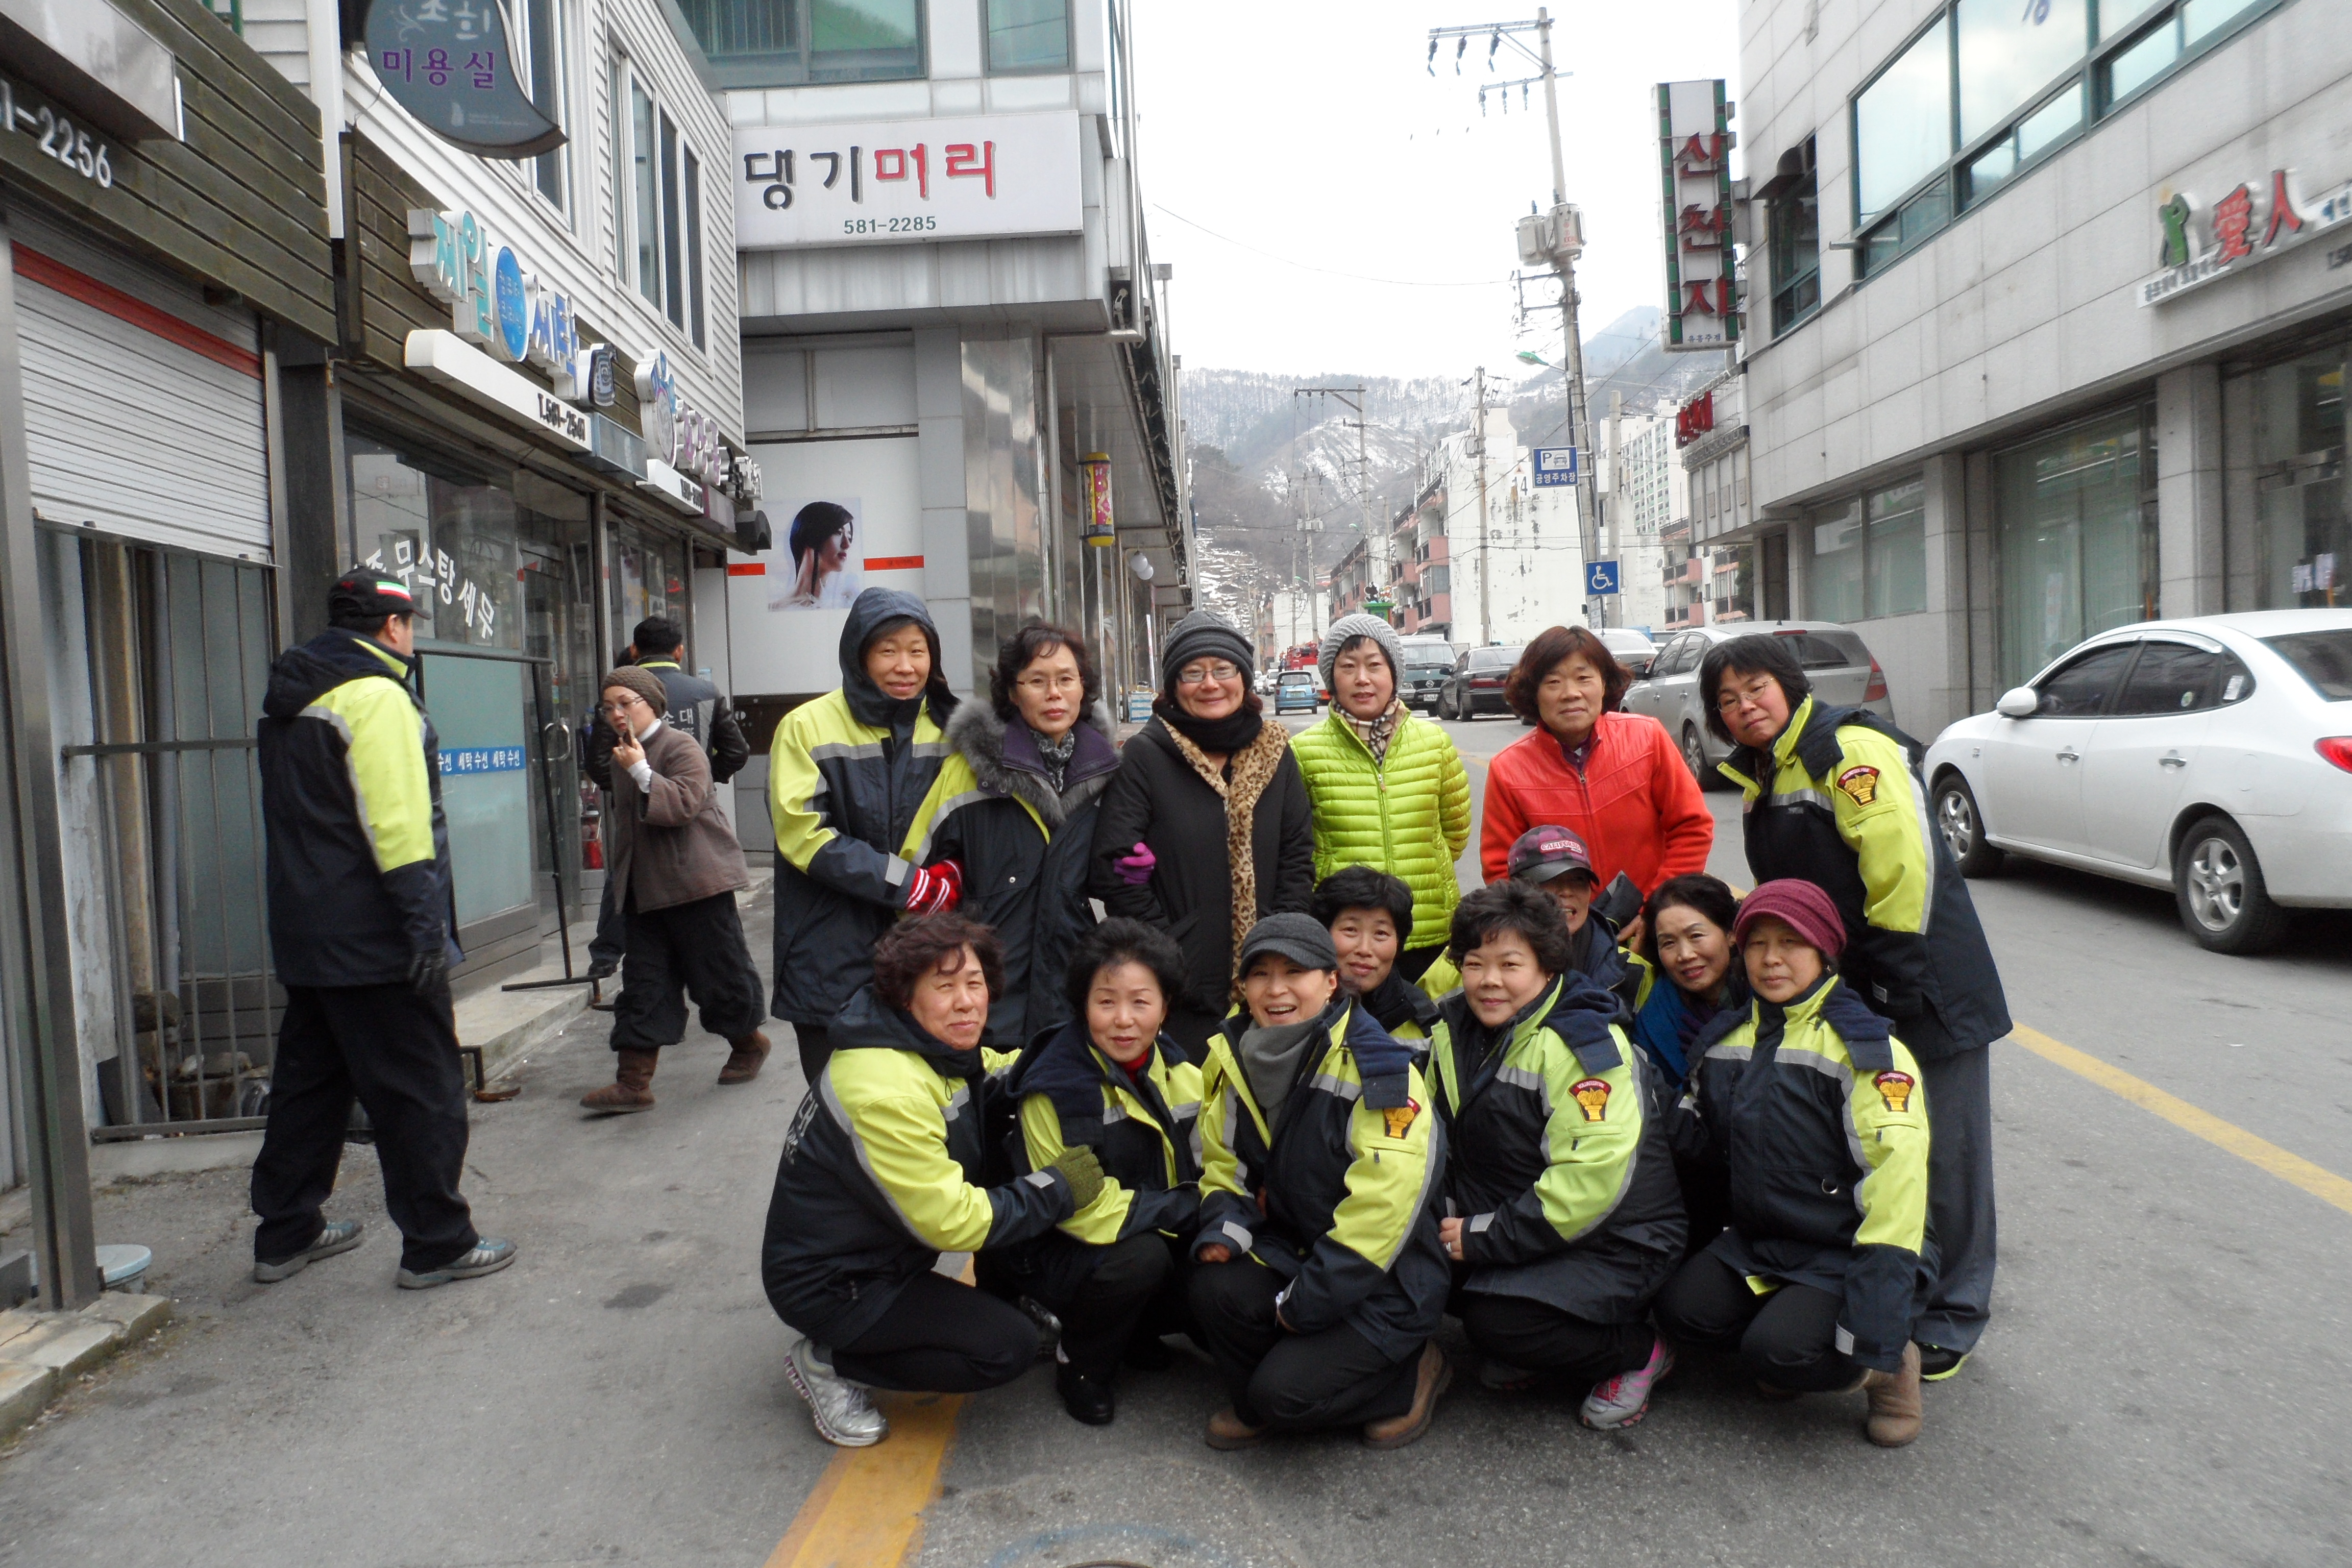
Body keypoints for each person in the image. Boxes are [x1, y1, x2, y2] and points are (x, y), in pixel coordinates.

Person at [1702, 631, 2008, 1381]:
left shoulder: (1849, 750)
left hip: (1924, 980)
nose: (1745, 707)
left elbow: (1904, 864)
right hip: (1859, 981)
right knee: (1874, 1143)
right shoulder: (1766, 770)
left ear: (1790, 685)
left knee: (1946, 1152)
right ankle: (1889, 1291)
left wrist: (1897, 979)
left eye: (1756, 689)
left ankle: (1952, 1314)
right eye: (1728, 701)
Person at [249, 570, 514, 1290]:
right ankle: (438, 1243)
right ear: (393, 627)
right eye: (411, 624)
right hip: (376, 935)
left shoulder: (293, 697)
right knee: (421, 1087)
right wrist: (423, 929)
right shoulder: (376, 696)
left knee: (311, 1088)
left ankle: (285, 1232)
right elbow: (397, 825)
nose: (413, 637)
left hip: (308, 930)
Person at [760, 916, 1104, 1448]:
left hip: (884, 1252)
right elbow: (953, 1223)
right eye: (944, 987)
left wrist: (1079, 1058)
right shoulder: (885, 1090)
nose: (967, 1002)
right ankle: (830, 1362)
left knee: (1006, 1136)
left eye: (975, 983)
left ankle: (996, 1300)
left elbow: (997, 1072)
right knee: (1004, 1350)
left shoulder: (927, 1046)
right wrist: (1057, 1188)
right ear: (905, 996)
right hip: (835, 1284)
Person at [1653, 879, 1929, 1447]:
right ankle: (1789, 1335)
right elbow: (1699, 1139)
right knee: (1682, 1313)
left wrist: (1877, 1320)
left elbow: (1896, 1188)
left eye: (1791, 942)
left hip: (1843, 1250)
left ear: (1824, 951)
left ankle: (1889, 1371)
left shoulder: (1867, 1051)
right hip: (1761, 1241)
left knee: (1779, 1353)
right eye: (1757, 944)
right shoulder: (1726, 1039)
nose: (1771, 959)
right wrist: (1641, 1089)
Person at [1188, 914, 1452, 1451]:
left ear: (1331, 982)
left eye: (1295, 972)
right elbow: (1223, 1163)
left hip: (1385, 1278)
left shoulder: (1381, 1067)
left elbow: (1382, 1211)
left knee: (1283, 1397)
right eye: (1260, 974)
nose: (1276, 990)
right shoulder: (1234, 1052)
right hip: (1299, 1248)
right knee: (1211, 1288)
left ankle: (1414, 1372)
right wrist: (1224, 1228)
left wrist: (1304, 1302)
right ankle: (1272, 1389)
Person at [1427, 882, 1685, 1427]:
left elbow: (1590, 1183)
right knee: (1423, 1263)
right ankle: (1539, 1336)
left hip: (1618, 1237)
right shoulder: (1453, 1026)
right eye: (1474, 963)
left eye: (1510, 964)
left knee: (1499, 1322)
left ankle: (1639, 1351)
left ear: (1547, 969)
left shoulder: (1582, 1043)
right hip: (1523, 1215)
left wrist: (1483, 1236)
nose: (1489, 980)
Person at [986, 919, 1204, 1426]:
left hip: (1138, 1220)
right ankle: (1081, 1362)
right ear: (1083, 1006)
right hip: (1050, 1245)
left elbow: (1209, 1160)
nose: (1123, 1020)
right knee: (1144, 1258)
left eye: (1140, 1002)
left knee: (1213, 1265)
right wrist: (1188, 1207)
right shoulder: (1056, 1087)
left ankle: (1131, 1332)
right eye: (1106, 1002)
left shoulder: (1178, 1069)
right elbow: (1080, 1212)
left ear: (1165, 1007)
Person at [1090, 609, 1314, 1059]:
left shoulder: (1275, 753)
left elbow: (1296, 857)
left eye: (1223, 670)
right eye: (1193, 673)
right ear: (1174, 686)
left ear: (1243, 678)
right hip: (1180, 989)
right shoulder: (1146, 756)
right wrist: (1170, 952)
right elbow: (1115, 867)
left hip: (1268, 982)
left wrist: (1279, 950)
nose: (1210, 684)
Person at [769, 589, 962, 1085]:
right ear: (859, 656)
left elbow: (971, 823)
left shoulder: (952, 729)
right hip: (829, 950)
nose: (905, 666)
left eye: (917, 650)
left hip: (928, 950)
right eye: (887, 651)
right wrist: (909, 885)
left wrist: (958, 868)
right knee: (841, 1105)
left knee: (931, 1102)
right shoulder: (805, 727)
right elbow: (805, 835)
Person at [905, 624, 1119, 1047]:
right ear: (1012, 693)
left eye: (1066, 679)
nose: (1054, 694)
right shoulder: (969, 772)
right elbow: (917, 879)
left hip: (1075, 999)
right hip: (986, 1002)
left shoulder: (1106, 773)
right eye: (1037, 681)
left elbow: (1109, 876)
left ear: (1083, 687)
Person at [577, 668, 771, 1111]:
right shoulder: (622, 755)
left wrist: (642, 771)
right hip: (646, 891)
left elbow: (684, 804)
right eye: (608, 708)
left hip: (697, 885)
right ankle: (633, 1083)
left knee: (719, 976)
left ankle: (748, 1044)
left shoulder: (680, 746)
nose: (617, 714)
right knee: (644, 983)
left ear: (652, 704)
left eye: (626, 703)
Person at [1480, 624, 1713, 947]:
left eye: (1584, 678)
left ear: (1604, 683)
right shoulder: (1508, 768)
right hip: (1561, 937)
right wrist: (1545, 931)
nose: (1571, 693)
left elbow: (1692, 828)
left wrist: (1655, 909)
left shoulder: (1647, 738)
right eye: (1553, 682)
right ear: (1533, 693)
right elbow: (1500, 869)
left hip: (1652, 928)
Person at [1289, 614, 1471, 983]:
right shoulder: (1303, 752)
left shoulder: (1434, 743)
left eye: (1375, 665)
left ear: (1393, 674)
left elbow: (1455, 833)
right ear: (1331, 677)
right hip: (1345, 941)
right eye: (1348, 667)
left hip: (1428, 928)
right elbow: (1297, 849)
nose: (1362, 679)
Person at [582, 618, 749, 985]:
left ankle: (606, 957)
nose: (618, 713)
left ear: (634, 650)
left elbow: (596, 764)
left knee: (627, 879)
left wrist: (631, 788)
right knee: (709, 943)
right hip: (694, 836)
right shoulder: (705, 691)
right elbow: (737, 751)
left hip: (651, 821)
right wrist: (704, 782)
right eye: (613, 709)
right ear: (679, 651)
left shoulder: (615, 696)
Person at [1624, 874, 1746, 1100]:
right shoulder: (1655, 1020)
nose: (1685, 955)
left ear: (1731, 934)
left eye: (1696, 936)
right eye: (1668, 943)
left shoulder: (1767, 999)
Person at [1503, 825, 1637, 1015]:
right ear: (1516, 888)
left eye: (1578, 880)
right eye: (1549, 879)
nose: (1566, 891)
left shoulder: (1632, 969)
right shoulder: (1481, 961)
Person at [1311, 865, 1441, 1048]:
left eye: (1381, 933)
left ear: (1399, 943)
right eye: (1351, 930)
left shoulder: (1424, 1021)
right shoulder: (1296, 1007)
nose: (1365, 949)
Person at [781, 501, 860, 608]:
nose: (847, 544)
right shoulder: (779, 608)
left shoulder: (844, 604)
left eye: (849, 537)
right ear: (811, 537)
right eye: (838, 533)